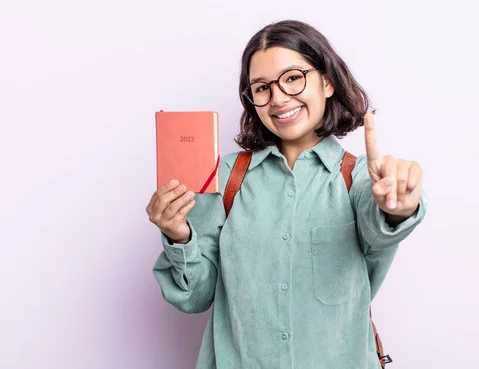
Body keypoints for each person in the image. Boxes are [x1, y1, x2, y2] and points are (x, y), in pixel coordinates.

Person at [146, 19, 428, 369]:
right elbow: (196, 297)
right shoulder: (225, 178)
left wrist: (398, 208)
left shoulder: (357, 178)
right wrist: (178, 235)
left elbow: (381, 228)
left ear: (326, 81)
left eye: (293, 77)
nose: (278, 98)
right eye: (261, 87)